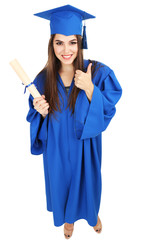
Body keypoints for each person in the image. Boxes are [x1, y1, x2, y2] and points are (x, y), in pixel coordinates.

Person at [26, 4, 122, 239]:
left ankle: (92, 215)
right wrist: (39, 109)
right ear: (52, 44)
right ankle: (68, 221)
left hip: (85, 146)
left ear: (80, 42)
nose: (66, 49)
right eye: (59, 42)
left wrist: (90, 89)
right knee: (61, 185)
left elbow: (109, 106)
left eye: (72, 42)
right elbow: (36, 114)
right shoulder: (43, 78)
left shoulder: (97, 72)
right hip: (56, 148)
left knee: (88, 185)